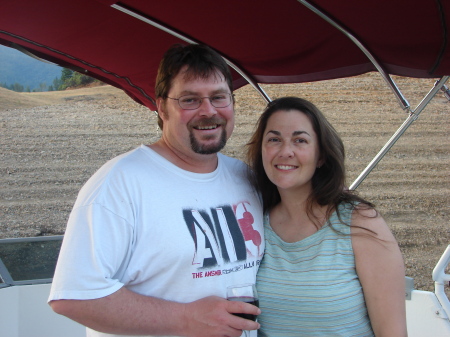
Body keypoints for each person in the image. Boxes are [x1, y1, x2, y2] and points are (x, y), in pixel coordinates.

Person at [48, 44, 264, 337]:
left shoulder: (246, 178)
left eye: (218, 97)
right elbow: (73, 296)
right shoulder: (120, 183)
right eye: (190, 100)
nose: (208, 111)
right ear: (161, 107)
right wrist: (186, 318)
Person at [246, 97, 407, 336]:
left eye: (300, 140)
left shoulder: (359, 222)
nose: (285, 151)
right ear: (262, 151)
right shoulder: (255, 221)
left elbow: (391, 331)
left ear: (321, 156)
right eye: (274, 139)